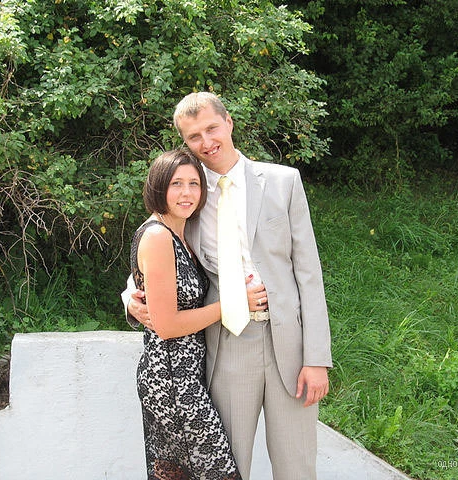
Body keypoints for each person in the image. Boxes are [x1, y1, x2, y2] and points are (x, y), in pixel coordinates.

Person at [126, 92, 332, 480]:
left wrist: (316, 358)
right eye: (193, 136)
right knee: (229, 468)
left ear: (229, 123)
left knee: (298, 466)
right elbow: (157, 249)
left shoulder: (283, 181)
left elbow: (309, 273)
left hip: (290, 345)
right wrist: (129, 298)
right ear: (185, 142)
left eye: (211, 128)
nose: (206, 142)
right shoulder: (188, 193)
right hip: (228, 344)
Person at [130, 148, 267, 480]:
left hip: (184, 379)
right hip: (172, 383)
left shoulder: (180, 233)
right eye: (176, 184)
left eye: (194, 184)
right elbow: (167, 326)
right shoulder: (158, 236)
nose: (187, 193)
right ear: (158, 186)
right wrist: (235, 303)